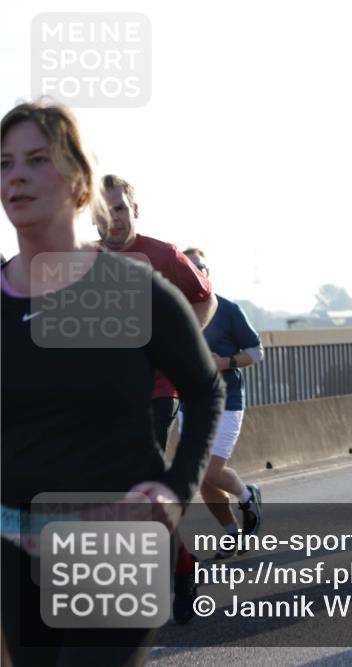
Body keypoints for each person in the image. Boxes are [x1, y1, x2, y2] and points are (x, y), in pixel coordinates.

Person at [1, 101, 223, 665]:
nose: (16, 176)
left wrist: (175, 488)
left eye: (35, 159)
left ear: (78, 180)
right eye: (4, 164)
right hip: (14, 539)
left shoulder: (133, 291)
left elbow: (203, 389)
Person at [98, 173, 217, 622]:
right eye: (104, 210)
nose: (113, 219)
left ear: (135, 209)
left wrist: (185, 345)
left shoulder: (162, 255)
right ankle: (181, 562)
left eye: (120, 208)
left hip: (157, 389)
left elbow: (206, 300)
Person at [179, 248, 265, 559]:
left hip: (227, 402)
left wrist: (225, 362)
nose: (194, 274)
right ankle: (231, 532)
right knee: (200, 476)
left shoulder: (227, 310)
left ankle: (247, 496)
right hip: (191, 406)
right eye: (187, 269)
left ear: (207, 272)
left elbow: (256, 352)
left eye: (199, 268)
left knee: (211, 470)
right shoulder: (175, 312)